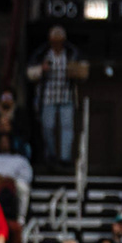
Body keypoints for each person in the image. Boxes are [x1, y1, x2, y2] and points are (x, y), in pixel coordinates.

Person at [26, 26, 88, 167]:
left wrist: (74, 71)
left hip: (67, 96)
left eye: (59, 41)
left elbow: (84, 71)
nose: (57, 43)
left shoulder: (72, 53)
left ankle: (65, 157)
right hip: (48, 97)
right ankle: (51, 155)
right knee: (48, 127)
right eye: (54, 41)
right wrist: (41, 69)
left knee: (67, 128)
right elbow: (30, 73)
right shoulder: (42, 53)